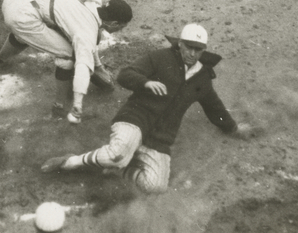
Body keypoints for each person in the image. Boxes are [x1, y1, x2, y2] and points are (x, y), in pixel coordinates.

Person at [41, 23, 258, 192]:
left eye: (198, 49)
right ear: (180, 43)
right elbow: (124, 75)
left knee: (156, 187)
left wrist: (233, 128)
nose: (192, 53)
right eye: (189, 47)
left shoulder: (202, 79)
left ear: (203, 51)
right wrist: (145, 82)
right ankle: (70, 162)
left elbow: (214, 107)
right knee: (117, 153)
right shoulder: (160, 58)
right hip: (135, 119)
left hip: (159, 138)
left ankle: (121, 171)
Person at [0, 0, 132, 124]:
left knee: (33, 30)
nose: (120, 30)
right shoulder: (86, 31)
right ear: (113, 23)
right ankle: (59, 107)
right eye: (121, 26)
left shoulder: (93, 1)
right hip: (20, 16)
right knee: (68, 56)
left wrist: (99, 67)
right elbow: (83, 67)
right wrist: (77, 103)